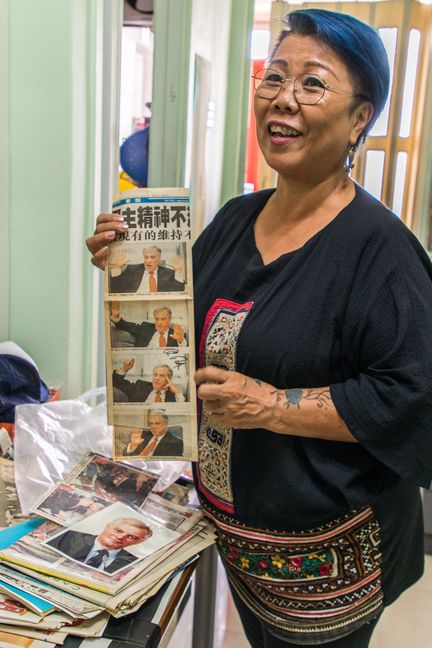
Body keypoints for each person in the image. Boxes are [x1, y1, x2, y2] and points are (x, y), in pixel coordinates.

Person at [86, 8, 432, 647]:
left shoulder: (383, 253)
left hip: (328, 569)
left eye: (314, 83)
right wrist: (130, 271)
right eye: (274, 78)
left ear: (361, 118)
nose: (285, 98)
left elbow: (412, 398)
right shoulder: (235, 219)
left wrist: (272, 406)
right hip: (238, 542)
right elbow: (183, 335)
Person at [47, 517, 152, 573]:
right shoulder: (67, 537)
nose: (120, 537)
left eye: (132, 537)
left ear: (139, 542)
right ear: (107, 526)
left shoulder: (133, 565)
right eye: (118, 530)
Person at [109, 245, 185, 293]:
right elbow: (115, 289)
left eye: (152, 257)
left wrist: (178, 271)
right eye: (146, 257)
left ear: (159, 258)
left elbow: (179, 291)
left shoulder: (169, 273)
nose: (148, 260)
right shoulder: (131, 269)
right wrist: (117, 268)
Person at [110, 302, 187, 348]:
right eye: (157, 319)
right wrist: (116, 318)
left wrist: (181, 340)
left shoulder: (177, 334)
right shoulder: (145, 328)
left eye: (163, 319)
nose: (159, 322)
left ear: (169, 320)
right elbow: (127, 326)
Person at [112, 359, 186, 403]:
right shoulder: (140, 386)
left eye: (161, 376)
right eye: (155, 375)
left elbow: (183, 411)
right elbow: (116, 382)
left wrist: (177, 392)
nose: (156, 378)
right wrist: (124, 369)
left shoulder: (174, 395)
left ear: (169, 379)